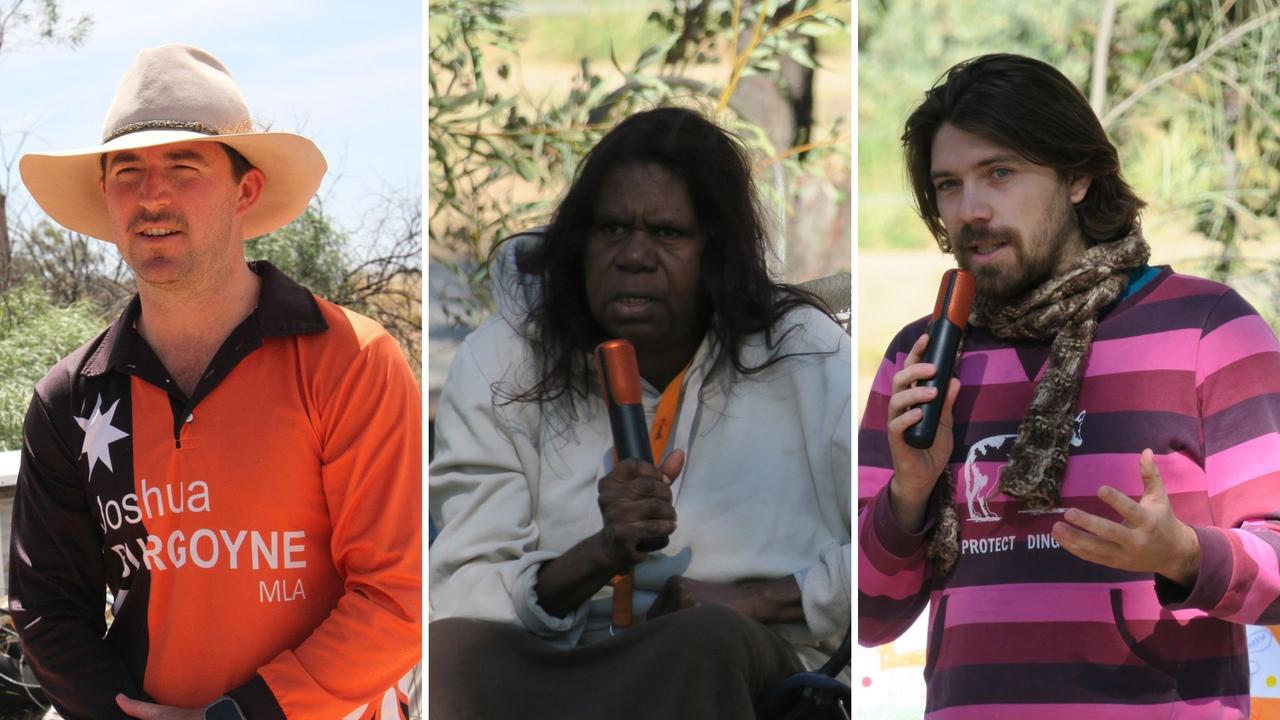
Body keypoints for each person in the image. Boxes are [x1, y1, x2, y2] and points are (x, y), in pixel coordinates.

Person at [858, 53, 1280, 718]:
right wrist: (908, 493)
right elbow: (866, 617)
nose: (970, 210)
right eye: (948, 185)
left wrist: (1184, 553)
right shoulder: (924, 356)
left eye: (1000, 173)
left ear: (1079, 175)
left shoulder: (1208, 329)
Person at [9, 45, 421, 720]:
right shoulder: (69, 399)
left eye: (183, 166)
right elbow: (49, 608)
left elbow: (397, 598)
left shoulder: (352, 360)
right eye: (127, 172)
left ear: (246, 189)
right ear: (106, 198)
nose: (152, 195)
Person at [428, 106, 850, 717]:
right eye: (612, 230)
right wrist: (599, 554)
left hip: (749, 664)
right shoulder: (501, 359)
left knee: (703, 640)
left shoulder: (805, 352)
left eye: (668, 233)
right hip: (565, 659)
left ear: (716, 253)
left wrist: (755, 601)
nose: (634, 256)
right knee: (448, 656)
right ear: (579, 243)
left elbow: (879, 553)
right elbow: (463, 586)